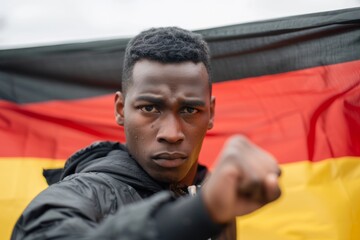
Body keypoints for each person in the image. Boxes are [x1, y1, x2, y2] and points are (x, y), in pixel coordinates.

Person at [11, 27, 281, 240]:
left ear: (210, 113)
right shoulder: (85, 191)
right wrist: (199, 215)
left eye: (189, 110)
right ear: (120, 109)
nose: (172, 133)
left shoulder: (212, 192)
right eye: (150, 107)